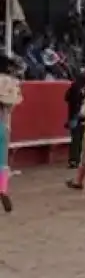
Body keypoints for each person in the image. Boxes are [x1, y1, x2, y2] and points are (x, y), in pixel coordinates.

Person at [0, 57, 24, 212]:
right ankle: (2, 189)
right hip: (3, 125)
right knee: (2, 163)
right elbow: (13, 103)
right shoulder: (10, 83)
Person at [64, 72, 85, 169]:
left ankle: (75, 160)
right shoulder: (78, 89)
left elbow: (66, 98)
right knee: (78, 139)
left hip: (75, 117)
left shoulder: (74, 88)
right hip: (78, 117)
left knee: (76, 139)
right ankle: (75, 160)